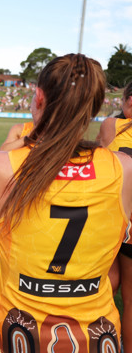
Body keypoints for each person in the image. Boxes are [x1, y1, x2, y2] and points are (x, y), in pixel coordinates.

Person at [0, 54, 132, 353]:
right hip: (97, 336)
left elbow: (25, 151)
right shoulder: (124, 168)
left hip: (15, 332)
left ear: (39, 97)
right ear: (94, 106)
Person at [97, 80, 132, 352]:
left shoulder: (113, 125)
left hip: (112, 216)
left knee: (107, 284)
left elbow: (100, 167)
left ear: (127, 101)